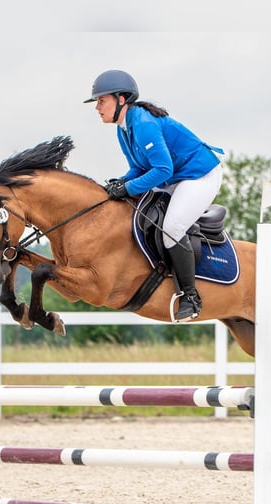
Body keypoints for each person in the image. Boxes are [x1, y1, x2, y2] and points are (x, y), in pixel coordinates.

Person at [84, 69, 224, 322]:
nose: (97, 107)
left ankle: (190, 297)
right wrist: (120, 183)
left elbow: (162, 169)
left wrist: (128, 188)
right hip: (173, 177)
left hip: (198, 176)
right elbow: (139, 167)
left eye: (101, 101)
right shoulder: (123, 128)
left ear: (122, 99)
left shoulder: (145, 125)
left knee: (171, 228)